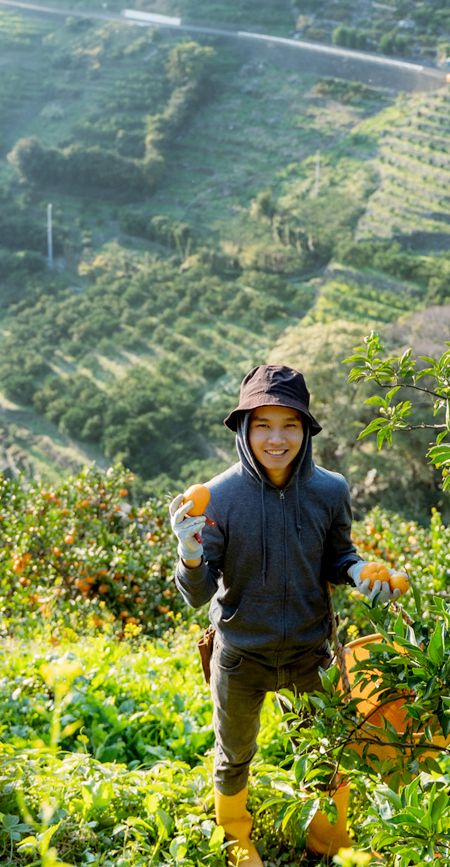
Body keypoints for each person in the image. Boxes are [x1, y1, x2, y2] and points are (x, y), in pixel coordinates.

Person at [169, 364, 409, 867]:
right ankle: (235, 834)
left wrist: (361, 570)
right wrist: (190, 553)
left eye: (290, 425)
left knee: (325, 753)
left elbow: (338, 556)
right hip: (240, 655)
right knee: (233, 754)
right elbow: (197, 594)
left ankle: (325, 838)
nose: (276, 439)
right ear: (243, 428)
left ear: (306, 430)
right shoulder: (219, 497)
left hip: (308, 652)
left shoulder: (330, 490)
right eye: (262, 424)